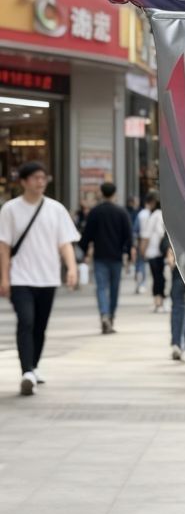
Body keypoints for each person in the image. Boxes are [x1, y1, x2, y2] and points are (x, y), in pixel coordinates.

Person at [0, 161, 78, 396]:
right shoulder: (10, 209)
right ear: (24, 182)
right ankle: (27, 372)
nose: (40, 182)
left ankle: (33, 366)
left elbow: (65, 243)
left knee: (40, 325)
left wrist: (71, 268)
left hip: (48, 277)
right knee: (26, 321)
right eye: (35, 178)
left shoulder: (56, 209)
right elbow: (4, 246)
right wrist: (4, 278)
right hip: (20, 277)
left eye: (43, 178)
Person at [79, 182, 134, 334]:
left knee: (101, 287)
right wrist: (129, 254)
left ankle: (104, 313)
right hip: (116, 257)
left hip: (100, 256)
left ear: (101, 193)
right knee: (114, 289)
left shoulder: (95, 212)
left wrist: (84, 251)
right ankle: (111, 317)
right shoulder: (121, 212)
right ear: (115, 194)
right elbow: (128, 236)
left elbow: (87, 235)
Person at [139, 194, 166, 312]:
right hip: (160, 252)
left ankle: (158, 301)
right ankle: (160, 301)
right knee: (160, 276)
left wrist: (142, 250)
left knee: (157, 277)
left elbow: (147, 235)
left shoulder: (155, 216)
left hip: (153, 251)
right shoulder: (162, 214)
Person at [167, 246, 185, 360]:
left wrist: (170, 255)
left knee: (178, 310)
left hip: (180, 275)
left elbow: (166, 245)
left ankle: (178, 343)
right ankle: (181, 343)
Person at [132, 191, 154, 294]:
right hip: (152, 242)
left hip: (141, 241)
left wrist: (134, 243)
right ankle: (144, 284)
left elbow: (135, 230)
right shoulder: (154, 214)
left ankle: (140, 283)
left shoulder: (141, 214)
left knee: (140, 263)